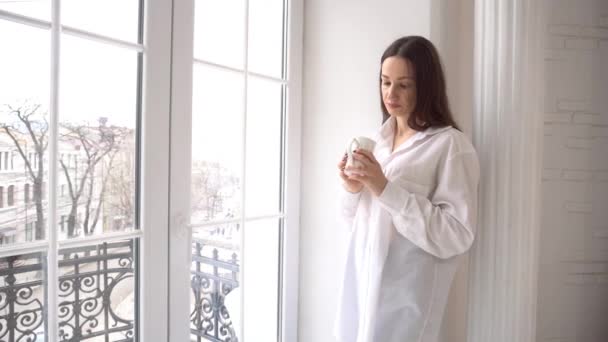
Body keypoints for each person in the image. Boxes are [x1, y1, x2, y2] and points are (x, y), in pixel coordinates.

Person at [335, 36, 480, 342]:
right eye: (385, 82)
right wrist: (352, 190)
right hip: (360, 289)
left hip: (406, 303)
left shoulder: (451, 146)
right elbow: (355, 225)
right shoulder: (379, 142)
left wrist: (384, 188)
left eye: (404, 84)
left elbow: (456, 234)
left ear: (425, 86)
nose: (391, 93)